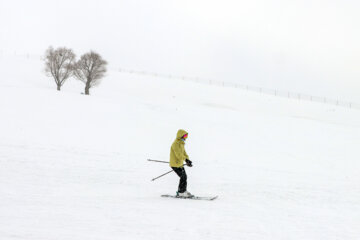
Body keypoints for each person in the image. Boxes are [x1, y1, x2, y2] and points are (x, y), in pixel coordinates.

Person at [170, 129, 193, 197]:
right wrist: (185, 160)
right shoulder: (175, 144)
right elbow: (179, 155)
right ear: (180, 136)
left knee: (184, 177)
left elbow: (184, 153)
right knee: (183, 177)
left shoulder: (181, 143)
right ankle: (181, 192)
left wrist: (187, 159)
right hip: (175, 164)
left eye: (186, 136)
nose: (185, 138)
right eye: (185, 136)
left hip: (179, 164)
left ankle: (183, 191)